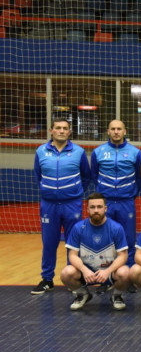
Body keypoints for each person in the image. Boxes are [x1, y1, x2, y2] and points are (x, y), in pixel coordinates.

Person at [32, 119, 91, 295]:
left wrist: (73, 193)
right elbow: (38, 176)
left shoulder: (78, 151)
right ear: (51, 130)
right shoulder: (41, 151)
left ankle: (72, 278)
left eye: (65, 128)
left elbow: (86, 176)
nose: (61, 131)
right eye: (58, 128)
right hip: (48, 205)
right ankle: (47, 279)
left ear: (69, 132)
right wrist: (49, 192)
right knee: (49, 243)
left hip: (72, 204)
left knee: (73, 243)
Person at [60, 192, 131, 311]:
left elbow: (123, 256)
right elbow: (72, 255)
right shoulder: (78, 228)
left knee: (126, 273)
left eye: (99, 207)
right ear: (87, 209)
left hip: (109, 272)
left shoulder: (116, 228)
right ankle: (83, 294)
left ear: (105, 208)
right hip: (86, 273)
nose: (96, 210)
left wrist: (107, 271)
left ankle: (117, 295)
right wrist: (84, 270)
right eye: (92, 207)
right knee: (66, 273)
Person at [90, 119, 141, 266]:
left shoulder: (135, 152)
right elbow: (94, 175)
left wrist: (131, 193)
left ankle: (128, 270)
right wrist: (104, 193)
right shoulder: (98, 152)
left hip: (126, 202)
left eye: (119, 129)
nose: (116, 132)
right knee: (104, 237)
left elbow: (140, 177)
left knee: (128, 238)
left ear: (124, 131)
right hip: (105, 202)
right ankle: (104, 272)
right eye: (113, 129)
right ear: (108, 131)